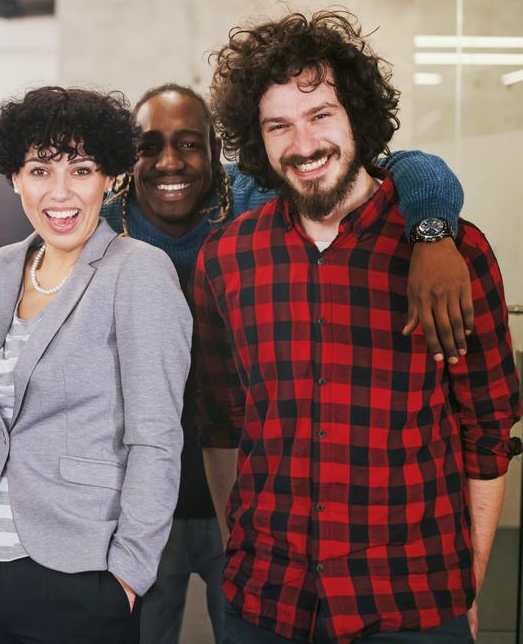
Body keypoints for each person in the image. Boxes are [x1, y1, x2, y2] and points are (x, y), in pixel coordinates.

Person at [99, 84, 468, 644]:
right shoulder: (99, 228)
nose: (169, 163)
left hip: (255, 503)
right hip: (137, 503)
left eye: (189, 144)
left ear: (216, 148)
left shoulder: (249, 195)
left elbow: (412, 165)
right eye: (148, 146)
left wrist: (433, 231)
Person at [196, 10, 520, 643]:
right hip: (267, 602)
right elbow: (222, 424)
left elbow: (487, 432)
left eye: (321, 115)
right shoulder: (226, 260)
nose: (304, 144)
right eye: (279, 125)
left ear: (357, 120)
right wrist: (241, 549)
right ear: (257, 141)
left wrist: (468, 583)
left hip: (413, 601)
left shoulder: (455, 256)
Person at [0, 86, 190, 644]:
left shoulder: (139, 271)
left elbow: (156, 439)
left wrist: (129, 572)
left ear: (110, 178)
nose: (60, 192)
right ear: (15, 178)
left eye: (82, 169)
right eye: (40, 170)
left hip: (80, 573)